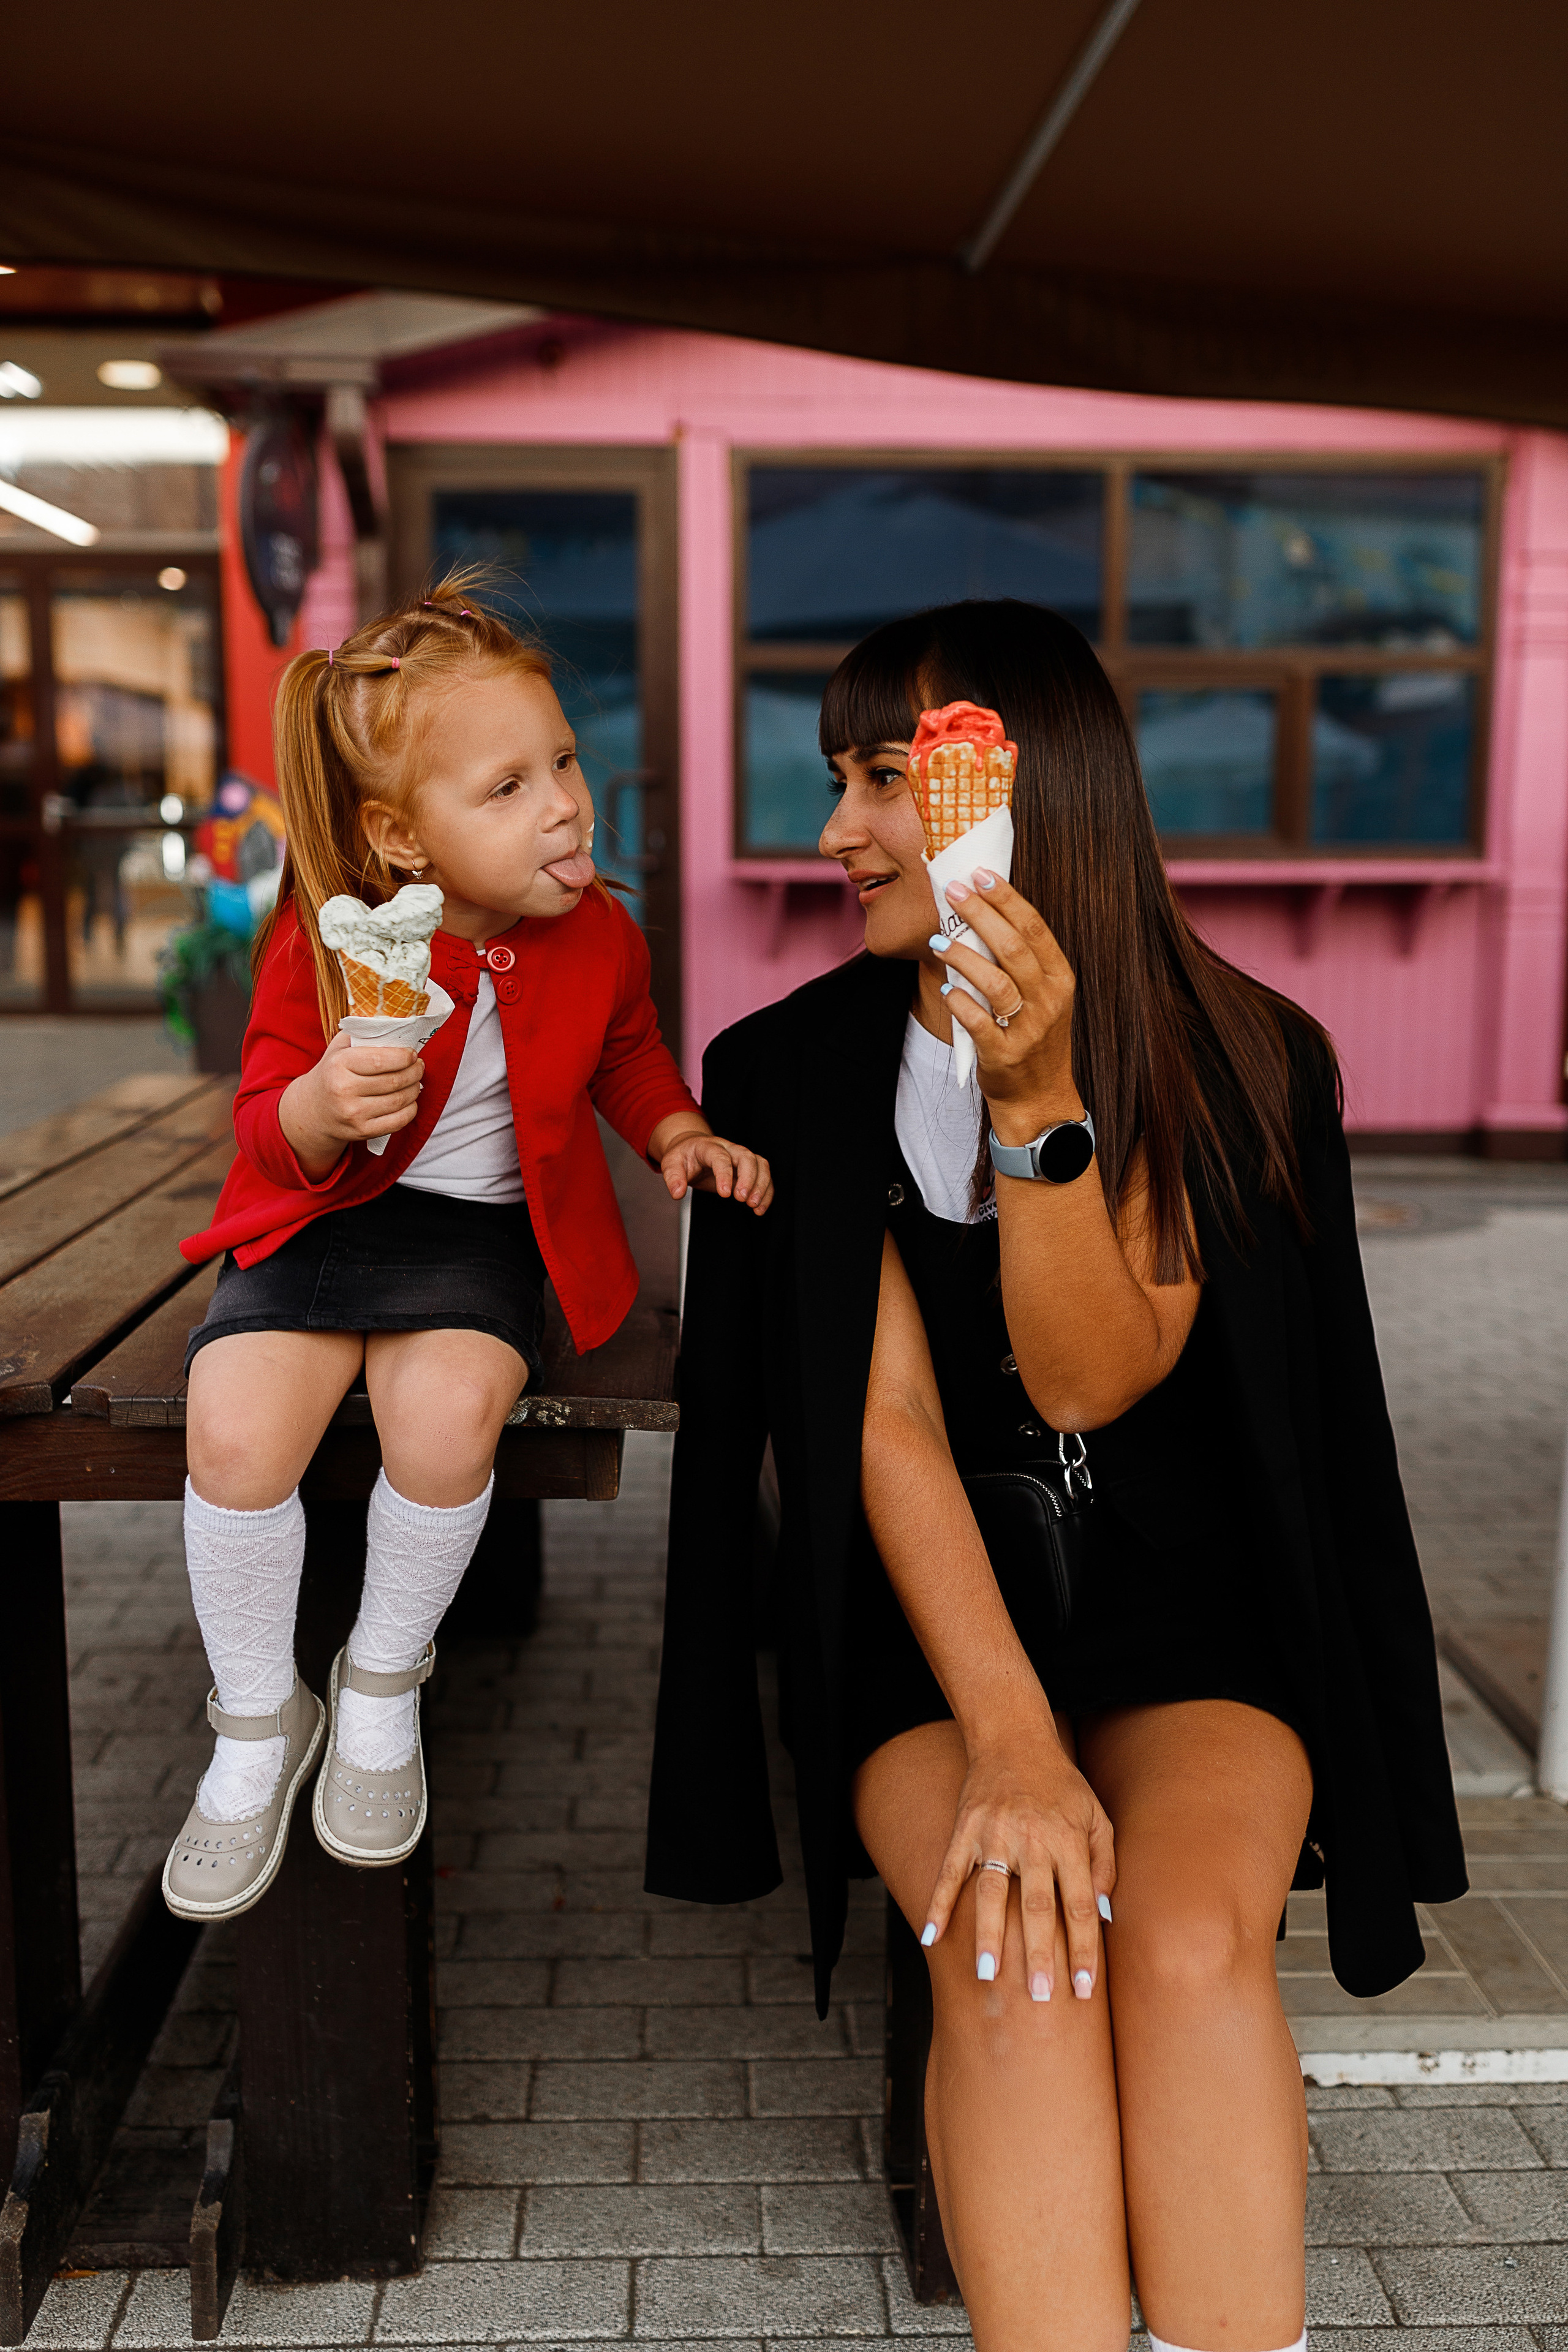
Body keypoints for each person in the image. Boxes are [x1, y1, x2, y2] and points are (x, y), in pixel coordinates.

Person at [646, 600, 1464, 2352]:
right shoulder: (789, 1067)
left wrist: (1036, 1101)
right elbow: (881, 1430)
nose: (834, 833)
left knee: (1174, 1940)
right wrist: (1012, 1740)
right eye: (840, 779)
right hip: (935, 1611)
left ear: (1027, 798)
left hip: (1191, 1604)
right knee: (1023, 1956)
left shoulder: (1238, 1052)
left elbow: (1094, 1375)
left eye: (885, 779)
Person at [165, 573, 771, 1925]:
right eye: (505, 789)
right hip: (322, 1220)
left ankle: (382, 1682)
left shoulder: (597, 932)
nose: (562, 801)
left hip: (482, 1238)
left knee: (445, 1421)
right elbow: (267, 1128)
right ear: (403, 835)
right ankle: (258, 1721)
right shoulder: (325, 946)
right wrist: (321, 1108)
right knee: (231, 1430)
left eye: (560, 761)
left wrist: (671, 1127)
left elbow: (627, 1054)